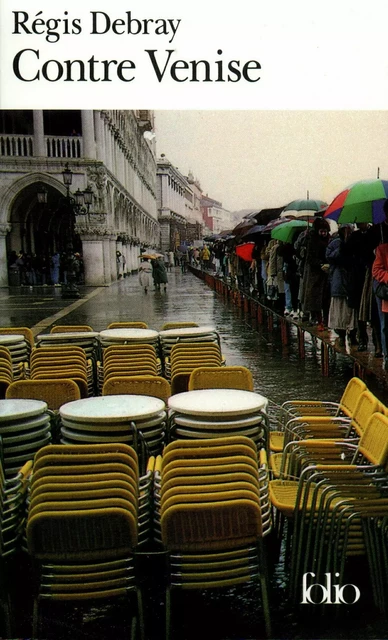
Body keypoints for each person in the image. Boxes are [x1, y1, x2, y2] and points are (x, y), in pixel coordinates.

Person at [326, 225, 357, 347]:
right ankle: (342, 334)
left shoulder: (355, 241)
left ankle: (353, 334)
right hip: (339, 281)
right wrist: (343, 246)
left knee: (352, 311)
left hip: (352, 280)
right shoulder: (335, 243)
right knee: (340, 310)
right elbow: (332, 257)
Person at [299, 217, 331, 330]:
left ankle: (325, 321)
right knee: (315, 299)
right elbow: (310, 258)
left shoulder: (328, 240)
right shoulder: (311, 240)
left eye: (325, 231)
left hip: (326, 274)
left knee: (326, 299)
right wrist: (320, 264)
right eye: (321, 231)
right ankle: (318, 320)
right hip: (315, 274)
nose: (323, 233)